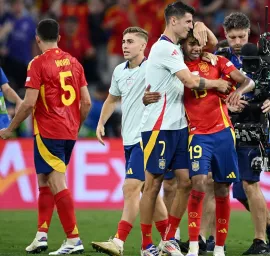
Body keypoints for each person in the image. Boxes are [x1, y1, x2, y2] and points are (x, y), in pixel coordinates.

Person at [138, 2, 231, 256]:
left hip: (180, 127)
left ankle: (169, 238)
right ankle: (146, 244)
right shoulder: (164, 48)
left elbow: (210, 45)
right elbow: (190, 81)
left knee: (186, 182)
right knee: (153, 184)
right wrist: (217, 83)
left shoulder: (177, 50)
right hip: (159, 127)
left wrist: (201, 24)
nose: (192, 27)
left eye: (193, 23)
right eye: (189, 22)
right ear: (174, 21)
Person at [0, 18, 91, 255]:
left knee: (56, 182)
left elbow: (29, 103)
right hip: (69, 132)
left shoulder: (37, 63)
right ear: (59, 38)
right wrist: (75, 126)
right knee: (44, 181)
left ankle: (73, 239)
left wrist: (10, 129)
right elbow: (87, 102)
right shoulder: (75, 63)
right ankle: (41, 235)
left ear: (37, 39)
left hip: (49, 131)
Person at [90, 27, 169, 256]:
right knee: (149, 194)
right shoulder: (118, 71)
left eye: (130, 41)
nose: (124, 45)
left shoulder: (153, 68)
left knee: (130, 187)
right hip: (129, 140)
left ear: (143, 46)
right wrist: (101, 123)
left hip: (148, 138)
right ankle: (166, 242)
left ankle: (119, 241)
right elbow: (112, 99)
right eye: (124, 41)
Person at [181, 30, 253, 256]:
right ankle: (194, 245)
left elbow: (248, 81)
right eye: (190, 44)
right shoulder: (179, 68)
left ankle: (219, 247)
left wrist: (236, 93)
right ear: (183, 46)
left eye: (198, 44)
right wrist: (217, 85)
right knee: (199, 183)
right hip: (198, 134)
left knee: (222, 188)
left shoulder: (218, 61)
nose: (194, 48)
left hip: (223, 133)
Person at [220, 12, 270, 255]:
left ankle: (260, 242)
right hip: (226, 130)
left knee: (250, 184)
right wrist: (226, 103)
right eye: (232, 37)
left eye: (242, 36)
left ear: (249, 33)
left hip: (254, 130)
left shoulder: (262, 59)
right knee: (237, 191)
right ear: (225, 36)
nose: (237, 41)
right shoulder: (219, 58)